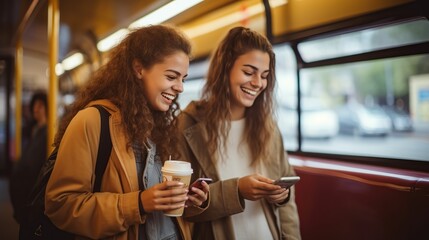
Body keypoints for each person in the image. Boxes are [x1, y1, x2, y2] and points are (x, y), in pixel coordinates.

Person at [44, 25, 209, 240]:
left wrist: (189, 201)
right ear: (139, 69)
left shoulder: (162, 126)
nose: (180, 87)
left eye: (183, 79)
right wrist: (139, 203)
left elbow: (162, 205)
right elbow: (61, 204)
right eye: (171, 77)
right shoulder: (93, 121)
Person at [177, 26, 301, 240]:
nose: (258, 83)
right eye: (248, 72)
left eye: (264, 76)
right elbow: (184, 206)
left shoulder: (268, 127)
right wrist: (237, 190)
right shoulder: (188, 125)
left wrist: (282, 194)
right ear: (225, 69)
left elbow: (288, 204)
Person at [9, 91, 48, 224]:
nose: (36, 109)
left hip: (33, 187)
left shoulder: (47, 133)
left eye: (40, 105)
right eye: (35, 105)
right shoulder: (33, 129)